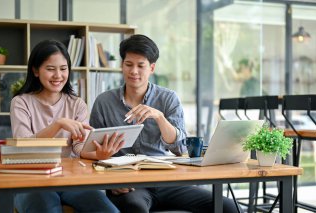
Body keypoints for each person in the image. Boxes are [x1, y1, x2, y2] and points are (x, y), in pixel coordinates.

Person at [88, 34, 239, 213]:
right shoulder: (104, 102)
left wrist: (159, 117)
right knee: (134, 207)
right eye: (129, 65)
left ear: (152, 68)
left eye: (140, 65)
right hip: (128, 184)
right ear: (122, 66)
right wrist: (111, 181)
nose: (134, 71)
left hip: (167, 180)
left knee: (227, 206)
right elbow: (90, 152)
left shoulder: (168, 98)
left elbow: (180, 148)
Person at [10, 39, 123, 213]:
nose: (58, 75)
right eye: (50, 69)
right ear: (35, 71)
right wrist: (58, 125)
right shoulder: (21, 102)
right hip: (31, 179)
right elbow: (24, 146)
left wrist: (97, 154)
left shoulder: (77, 104)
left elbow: (79, 147)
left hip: (70, 179)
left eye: (63, 69)